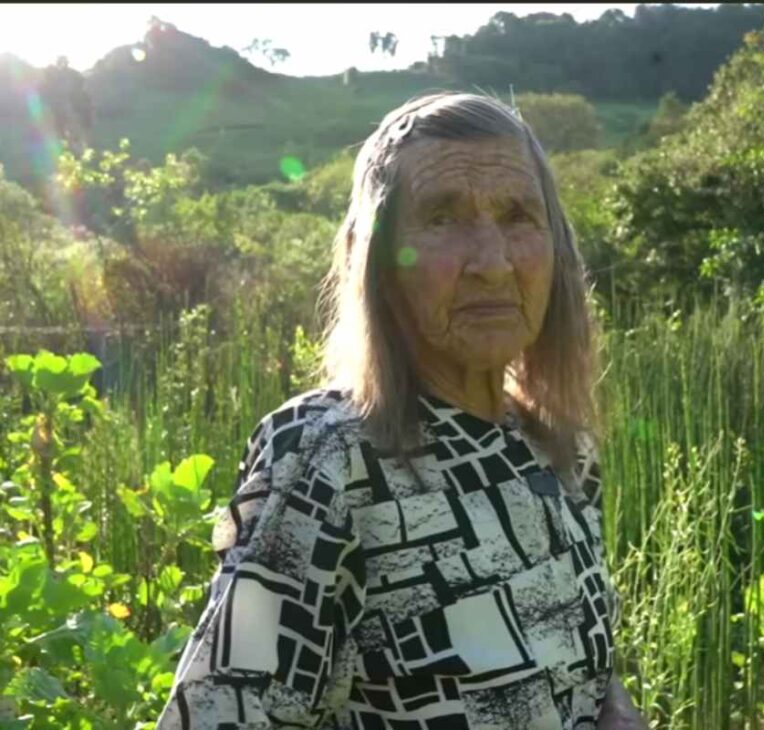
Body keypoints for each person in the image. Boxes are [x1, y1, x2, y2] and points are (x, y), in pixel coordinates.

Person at [155, 92, 647, 729]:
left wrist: (618, 711)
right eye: (443, 218)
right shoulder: (328, 457)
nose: (492, 263)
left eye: (520, 216)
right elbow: (225, 713)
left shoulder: (562, 450)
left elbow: (580, 664)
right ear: (379, 259)